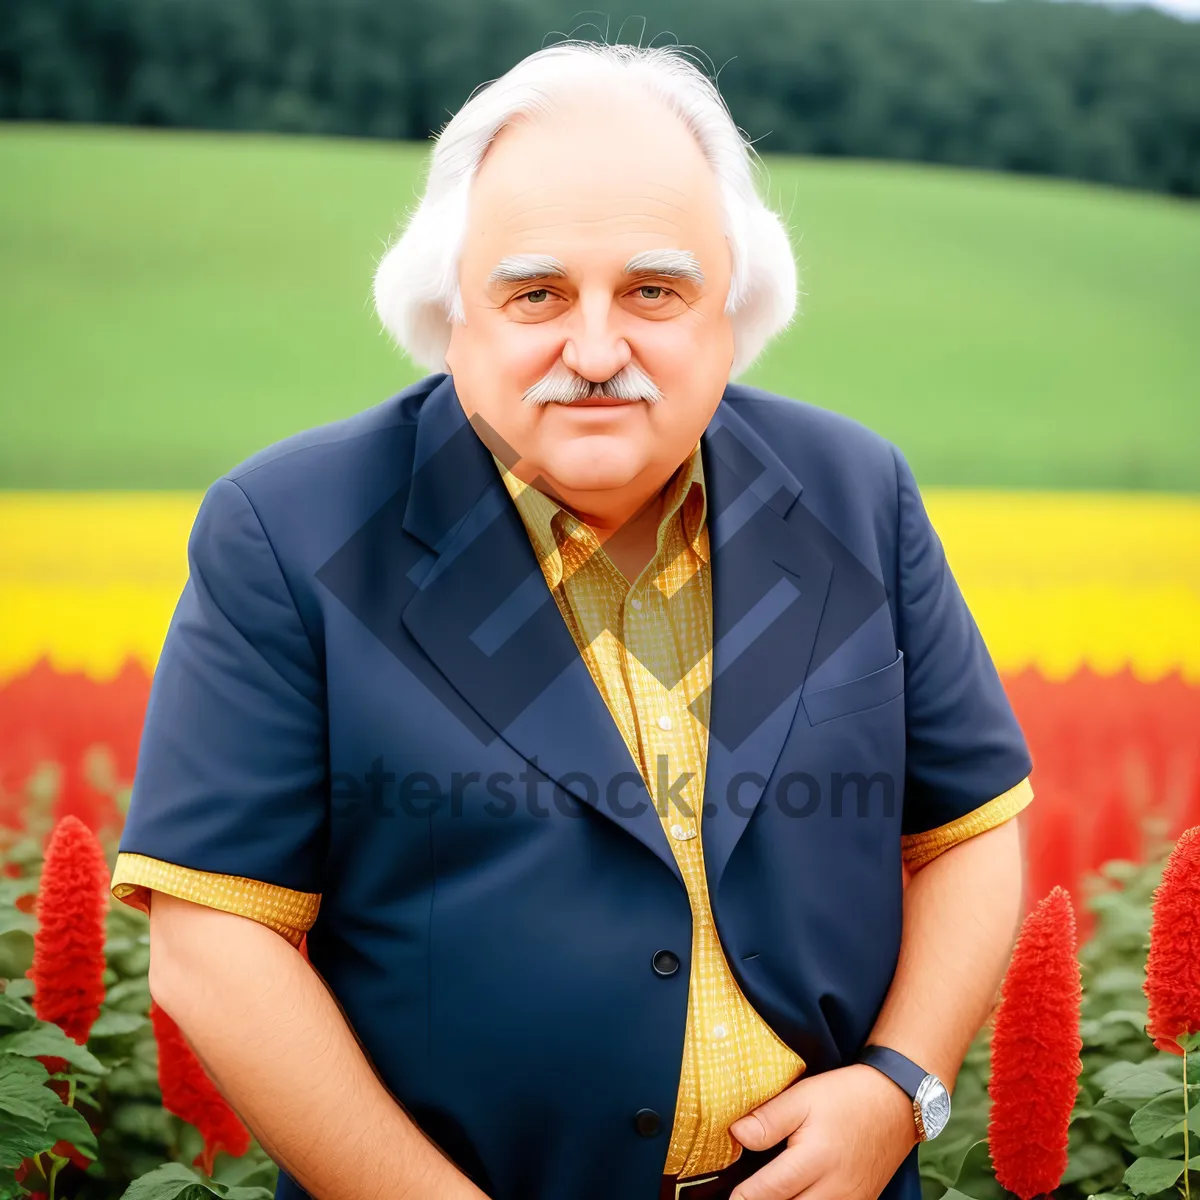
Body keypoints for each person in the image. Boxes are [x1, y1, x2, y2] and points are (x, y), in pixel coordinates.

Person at [110, 41, 1034, 1200]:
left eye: (654, 290)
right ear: (455, 315)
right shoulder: (287, 532)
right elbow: (212, 947)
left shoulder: (855, 490)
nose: (596, 353)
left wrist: (901, 1088)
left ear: (731, 310)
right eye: (537, 293)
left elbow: (968, 831)